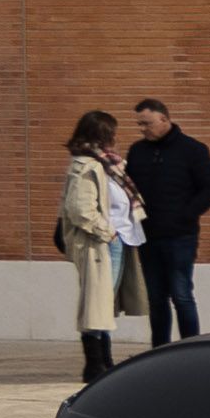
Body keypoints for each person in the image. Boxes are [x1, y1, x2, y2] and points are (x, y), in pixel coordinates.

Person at [124, 99, 210, 346]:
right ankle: (160, 349)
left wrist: (186, 214)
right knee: (156, 298)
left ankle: (190, 348)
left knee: (182, 295)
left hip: (180, 236)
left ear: (164, 119)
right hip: (148, 236)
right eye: (140, 124)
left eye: (147, 123)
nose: (143, 128)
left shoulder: (193, 150)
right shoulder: (137, 151)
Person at [57, 112, 128, 387]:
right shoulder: (86, 165)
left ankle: (104, 363)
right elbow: (79, 210)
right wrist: (107, 232)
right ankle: (95, 365)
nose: (115, 138)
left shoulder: (105, 163)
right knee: (96, 304)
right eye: (112, 133)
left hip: (112, 241)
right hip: (99, 243)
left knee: (103, 304)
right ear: (101, 135)